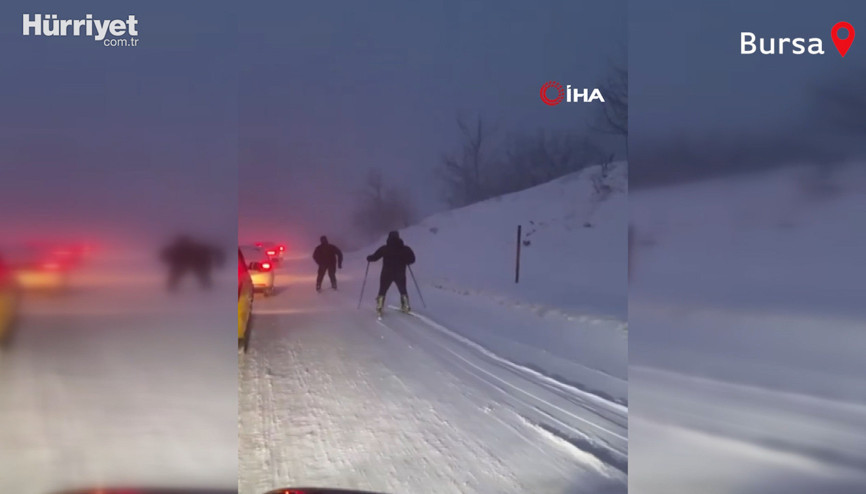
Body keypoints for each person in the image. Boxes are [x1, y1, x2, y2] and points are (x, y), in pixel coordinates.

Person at [366, 230, 416, 315]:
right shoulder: (405, 249)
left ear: (389, 238)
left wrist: (369, 258)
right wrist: (407, 261)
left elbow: (375, 257)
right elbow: (412, 259)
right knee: (402, 289)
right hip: (400, 273)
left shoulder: (384, 248)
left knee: (383, 289)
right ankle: (406, 307)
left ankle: (379, 307)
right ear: (398, 237)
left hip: (386, 273)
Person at [160, 235, 225, 291]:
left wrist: (219, 261)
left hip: (196, 264)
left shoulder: (197, 247)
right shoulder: (177, 249)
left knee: (203, 276)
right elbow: (164, 255)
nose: (185, 245)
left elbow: (216, 251)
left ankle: (207, 288)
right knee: (176, 276)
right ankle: (172, 289)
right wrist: (219, 262)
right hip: (186, 264)